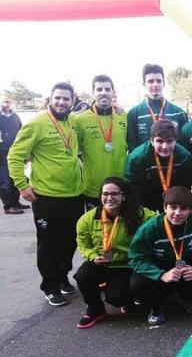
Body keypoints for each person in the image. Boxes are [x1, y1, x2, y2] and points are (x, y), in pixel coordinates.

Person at [7, 82, 84, 306]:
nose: (61, 102)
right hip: (47, 197)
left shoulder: (72, 122)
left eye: (66, 99)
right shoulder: (36, 124)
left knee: (70, 240)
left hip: (74, 194)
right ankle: (50, 286)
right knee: (48, 243)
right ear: (50, 99)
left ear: (72, 101)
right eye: (57, 98)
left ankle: (62, 277)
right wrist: (22, 185)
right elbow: (14, 156)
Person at [129, 186, 192, 325]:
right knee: (137, 284)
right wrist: (160, 274)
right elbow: (136, 258)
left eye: (183, 209)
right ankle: (157, 306)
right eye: (173, 207)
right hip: (160, 267)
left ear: (191, 210)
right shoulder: (149, 228)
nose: (177, 213)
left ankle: (187, 296)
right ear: (164, 207)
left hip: (186, 266)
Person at [74, 177, 157, 328]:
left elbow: (159, 221)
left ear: (123, 196)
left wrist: (181, 213)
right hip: (102, 263)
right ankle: (95, 310)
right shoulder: (87, 219)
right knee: (82, 275)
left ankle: (128, 299)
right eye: (105, 194)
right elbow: (83, 244)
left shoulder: (138, 213)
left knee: (116, 298)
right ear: (100, 196)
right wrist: (93, 256)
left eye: (114, 194)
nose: (109, 198)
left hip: (126, 265)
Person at [74, 75, 129, 209]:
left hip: (121, 186)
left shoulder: (124, 116)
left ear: (113, 92)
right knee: (96, 228)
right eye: (99, 89)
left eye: (107, 89)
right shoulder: (80, 120)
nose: (103, 92)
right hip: (94, 188)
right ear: (93, 93)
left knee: (121, 227)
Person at [124, 119, 192, 212]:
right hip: (144, 197)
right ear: (152, 141)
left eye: (169, 141)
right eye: (159, 141)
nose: (165, 146)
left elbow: (185, 187)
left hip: (173, 198)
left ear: (176, 140)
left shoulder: (184, 157)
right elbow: (131, 189)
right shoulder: (136, 158)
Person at [127, 64, 188, 151]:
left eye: (158, 81)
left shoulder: (179, 113)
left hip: (172, 163)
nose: (155, 84)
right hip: (145, 164)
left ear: (163, 83)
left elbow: (184, 147)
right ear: (144, 84)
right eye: (150, 81)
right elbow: (132, 147)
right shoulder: (134, 113)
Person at [0, 96, 27, 214]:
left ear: (11, 103)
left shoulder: (15, 116)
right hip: (2, 151)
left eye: (8, 101)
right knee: (5, 179)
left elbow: (22, 130)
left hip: (16, 150)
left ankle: (16, 202)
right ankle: (8, 206)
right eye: (3, 102)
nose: (6, 104)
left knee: (15, 176)